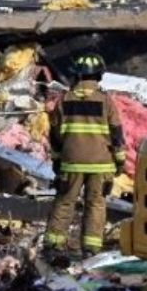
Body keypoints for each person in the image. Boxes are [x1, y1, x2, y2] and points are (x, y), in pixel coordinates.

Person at [43, 53, 125, 261]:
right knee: (96, 204)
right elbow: (116, 134)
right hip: (101, 164)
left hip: (71, 164)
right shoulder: (106, 101)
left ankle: (54, 245)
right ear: (98, 75)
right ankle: (90, 249)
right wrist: (120, 161)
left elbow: (55, 134)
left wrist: (57, 160)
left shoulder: (65, 100)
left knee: (64, 202)